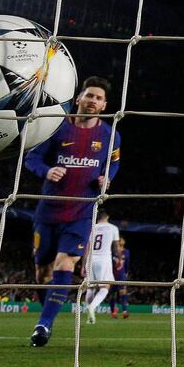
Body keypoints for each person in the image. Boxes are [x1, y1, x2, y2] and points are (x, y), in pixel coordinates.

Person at [24, 76, 120, 347]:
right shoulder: (55, 128)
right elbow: (31, 157)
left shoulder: (110, 135)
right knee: (42, 271)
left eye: (99, 98)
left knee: (65, 264)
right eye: (89, 95)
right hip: (48, 212)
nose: (93, 101)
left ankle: (44, 325)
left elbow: (114, 163)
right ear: (78, 98)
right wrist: (47, 170)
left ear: (103, 106)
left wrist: (107, 178)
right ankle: (47, 315)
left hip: (81, 212)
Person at [81, 209, 120, 324]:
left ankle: (90, 316)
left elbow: (86, 248)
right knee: (104, 287)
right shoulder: (113, 228)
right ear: (107, 216)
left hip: (90, 259)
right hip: (104, 260)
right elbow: (116, 248)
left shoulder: (92, 228)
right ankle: (92, 307)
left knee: (91, 288)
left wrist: (83, 265)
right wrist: (120, 259)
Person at [109, 235, 131, 319]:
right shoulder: (112, 252)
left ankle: (124, 311)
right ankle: (113, 312)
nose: (121, 240)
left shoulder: (126, 252)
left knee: (123, 291)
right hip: (112, 274)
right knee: (112, 294)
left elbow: (127, 263)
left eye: (122, 239)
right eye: (119, 240)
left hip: (121, 275)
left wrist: (126, 273)